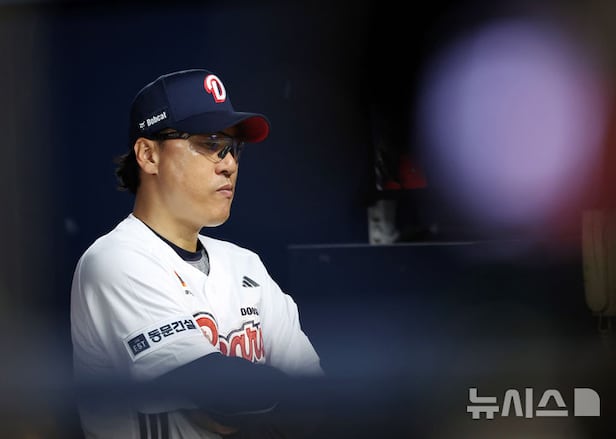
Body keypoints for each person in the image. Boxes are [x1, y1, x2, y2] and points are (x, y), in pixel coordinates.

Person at [70, 68, 323, 439]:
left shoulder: (246, 265)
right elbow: (217, 395)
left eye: (234, 148)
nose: (229, 164)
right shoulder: (115, 260)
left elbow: (320, 399)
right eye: (210, 143)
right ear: (148, 155)